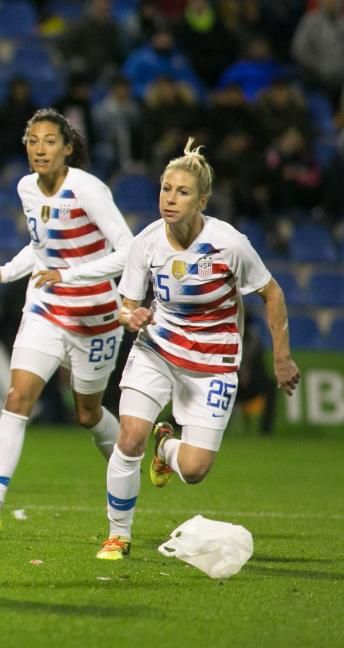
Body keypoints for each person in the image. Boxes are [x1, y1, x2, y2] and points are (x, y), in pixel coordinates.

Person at [96, 138, 300, 561]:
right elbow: (127, 304)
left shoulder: (229, 243)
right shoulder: (146, 243)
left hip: (213, 365)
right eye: (166, 189)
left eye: (182, 191)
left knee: (193, 471)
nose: (170, 199)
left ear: (202, 200)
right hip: (157, 351)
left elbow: (272, 293)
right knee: (129, 437)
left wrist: (282, 357)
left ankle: (167, 447)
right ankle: (118, 535)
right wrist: (129, 317)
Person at [0, 109, 133, 537]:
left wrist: (70, 275)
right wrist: (6, 270)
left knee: (88, 414)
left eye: (50, 141)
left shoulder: (88, 189)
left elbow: (128, 250)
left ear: (68, 148)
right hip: (46, 307)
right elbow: (42, 246)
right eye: (33, 140)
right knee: (18, 396)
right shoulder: (26, 188)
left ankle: (132, 462)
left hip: (95, 316)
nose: (40, 148)